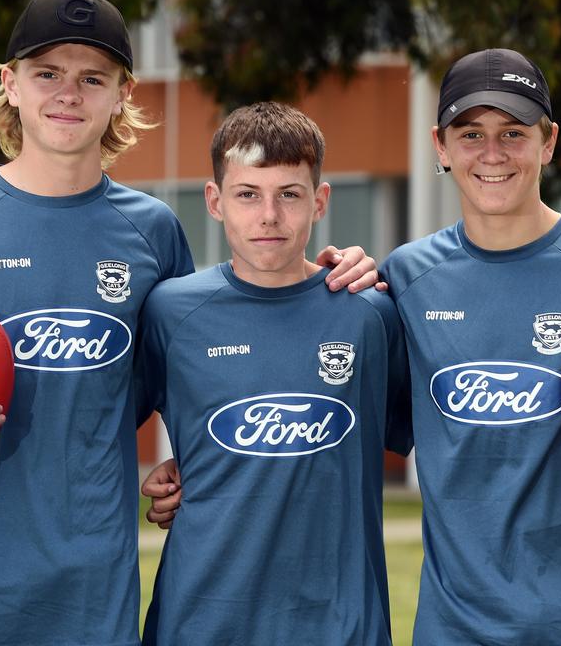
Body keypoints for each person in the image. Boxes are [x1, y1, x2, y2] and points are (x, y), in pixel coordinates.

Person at [0, 0, 379, 645]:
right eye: (47, 73)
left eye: (92, 78)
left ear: (122, 93)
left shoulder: (153, 234)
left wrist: (335, 274)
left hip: (93, 588)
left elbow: (202, 378)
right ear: (11, 85)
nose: (68, 94)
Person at [145, 48, 561, 645]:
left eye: (513, 132)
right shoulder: (402, 281)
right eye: (471, 133)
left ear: (549, 141)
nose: (492, 153)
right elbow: (324, 400)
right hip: (457, 626)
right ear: (440, 145)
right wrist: (198, 467)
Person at [134, 101, 411, 646]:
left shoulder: (370, 314)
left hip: (339, 624)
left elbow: (458, 440)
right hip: (200, 620)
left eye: (289, 194)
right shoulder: (170, 312)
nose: (269, 216)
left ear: (320, 201)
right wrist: (176, 467)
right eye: (247, 194)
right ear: (215, 201)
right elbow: (94, 424)